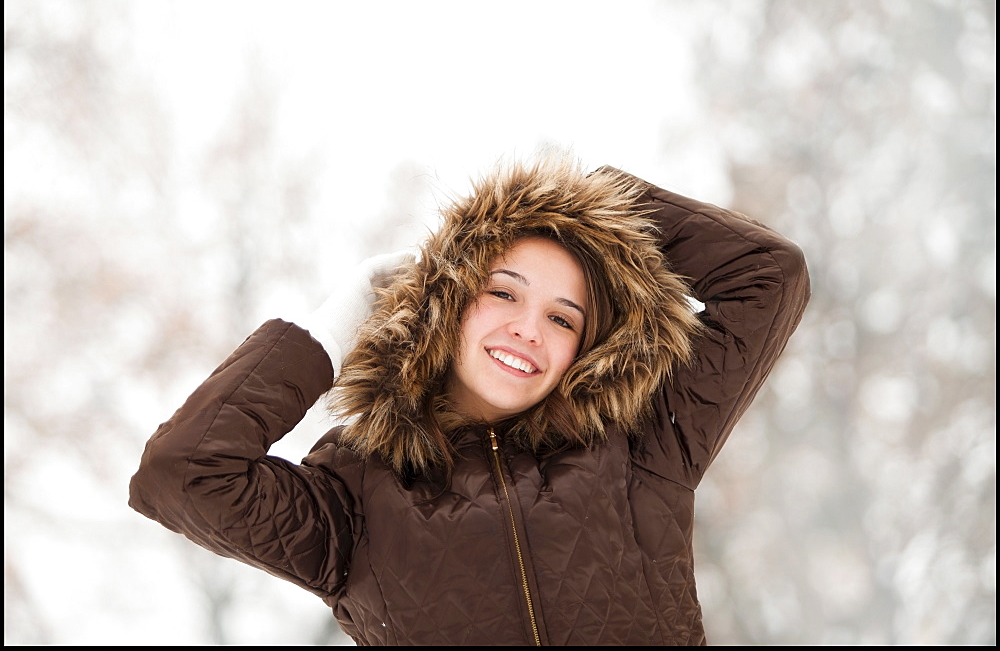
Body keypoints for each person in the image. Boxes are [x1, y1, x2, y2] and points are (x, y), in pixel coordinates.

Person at [129, 150, 810, 645]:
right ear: (448, 303)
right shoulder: (355, 494)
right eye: (504, 292)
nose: (528, 328)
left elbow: (769, 277)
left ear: (584, 346)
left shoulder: (640, 444)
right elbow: (180, 474)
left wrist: (594, 202)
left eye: (563, 317)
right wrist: (335, 324)